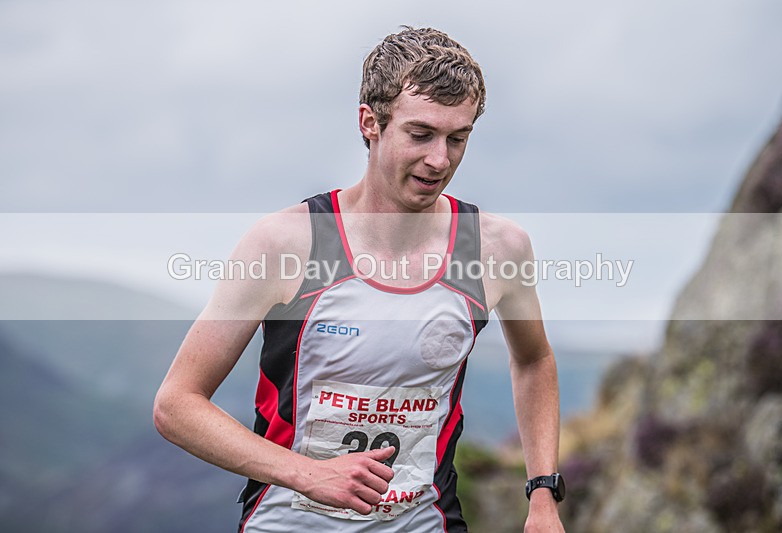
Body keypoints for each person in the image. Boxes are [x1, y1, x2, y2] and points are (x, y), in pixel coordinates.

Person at [154, 26, 565, 532]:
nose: (440, 160)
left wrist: (542, 495)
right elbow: (177, 405)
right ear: (370, 122)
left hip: (425, 521)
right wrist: (307, 474)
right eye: (420, 135)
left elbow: (534, 359)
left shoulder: (497, 248)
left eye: (457, 139)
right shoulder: (284, 244)